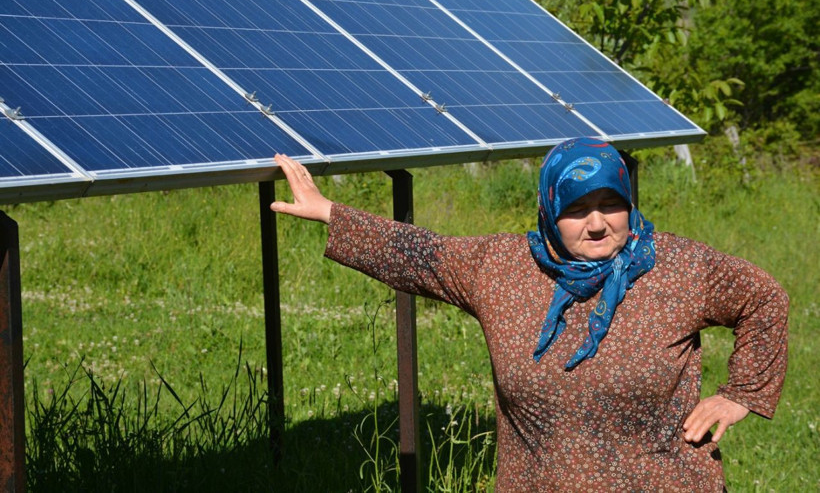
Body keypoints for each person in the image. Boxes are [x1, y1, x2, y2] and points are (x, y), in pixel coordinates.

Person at [269, 137, 788, 491]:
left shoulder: (676, 267)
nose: (598, 224)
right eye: (576, 208)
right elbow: (420, 254)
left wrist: (741, 394)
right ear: (547, 209)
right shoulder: (501, 268)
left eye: (612, 203)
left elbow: (764, 300)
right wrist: (327, 211)